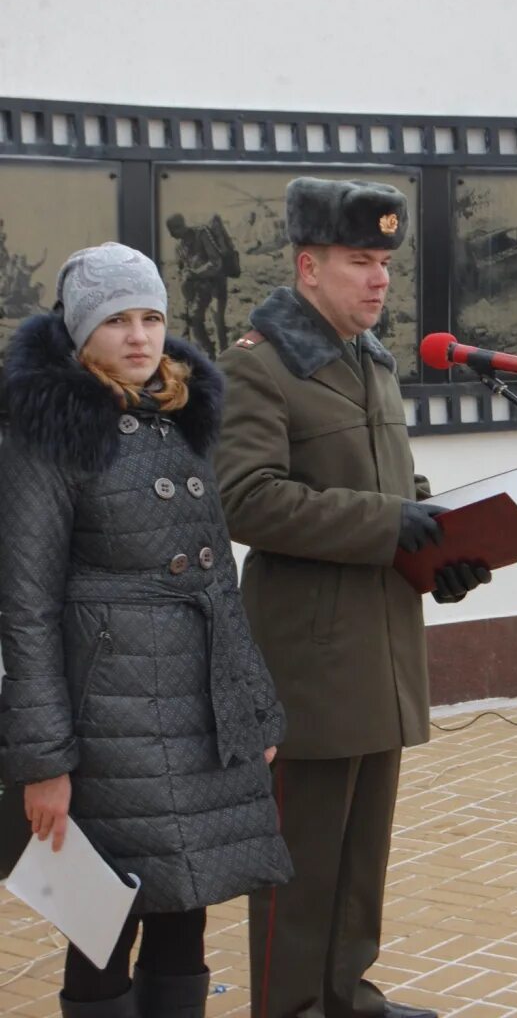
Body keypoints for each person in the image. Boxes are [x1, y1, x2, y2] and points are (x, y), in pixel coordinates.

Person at [215, 177, 491, 1018]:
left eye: (384, 263)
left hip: (380, 646)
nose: (378, 279)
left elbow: (391, 487)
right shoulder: (258, 366)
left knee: (360, 855)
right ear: (308, 266)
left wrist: (441, 549)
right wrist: (388, 523)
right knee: (300, 864)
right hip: (308, 655)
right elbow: (247, 499)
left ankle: (346, 995)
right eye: (358, 261)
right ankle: (291, 1006)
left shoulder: (369, 362)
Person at [0, 242, 292, 1018]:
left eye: (152, 318)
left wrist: (252, 705)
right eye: (116, 321)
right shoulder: (46, 432)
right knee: (103, 921)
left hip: (196, 714)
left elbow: (216, 584)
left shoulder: (180, 415)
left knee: (185, 906)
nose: (139, 337)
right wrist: (43, 761)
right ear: (77, 332)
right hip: (111, 721)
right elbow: (24, 610)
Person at [166, 213, 237, 358]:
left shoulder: (201, 234)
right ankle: (210, 354)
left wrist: (196, 273)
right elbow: (181, 271)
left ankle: (224, 357)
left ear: (180, 226)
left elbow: (216, 263)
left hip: (217, 283)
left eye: (173, 231)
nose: (171, 235)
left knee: (218, 322)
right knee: (195, 322)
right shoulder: (179, 247)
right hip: (200, 289)